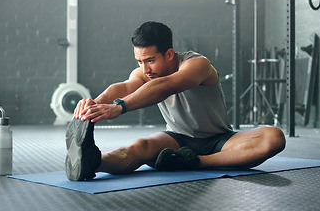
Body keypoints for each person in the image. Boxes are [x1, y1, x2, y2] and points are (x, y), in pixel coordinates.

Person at [65, 21, 286, 181]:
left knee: (274, 137)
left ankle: (196, 161)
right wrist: (94, 103)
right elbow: (123, 87)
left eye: (150, 60)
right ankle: (93, 162)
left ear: (169, 54)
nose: (145, 69)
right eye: (139, 61)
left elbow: (164, 87)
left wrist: (119, 107)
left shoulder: (198, 65)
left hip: (219, 140)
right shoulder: (146, 73)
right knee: (140, 146)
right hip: (176, 141)